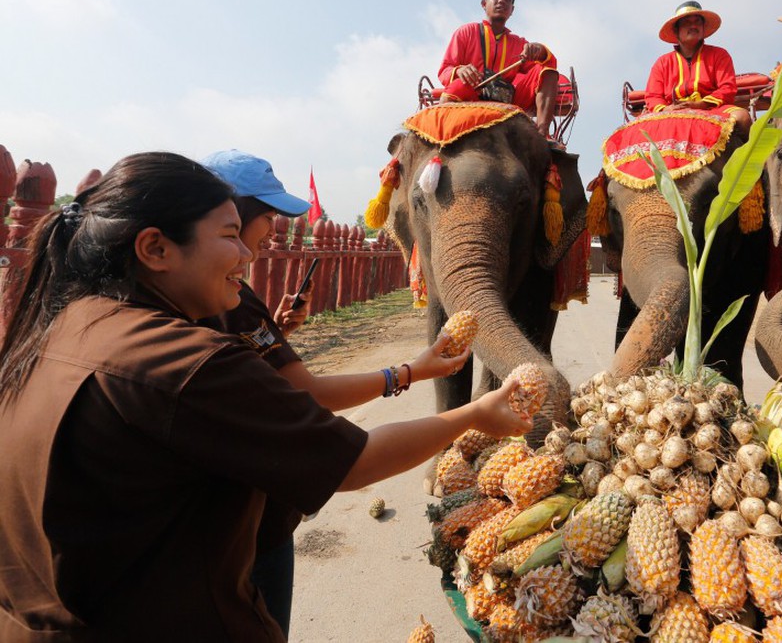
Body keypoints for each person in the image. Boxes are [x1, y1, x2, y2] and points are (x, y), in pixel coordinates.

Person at [0, 152, 531, 641]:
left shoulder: (54, 327)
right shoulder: (187, 358)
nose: (248, 253)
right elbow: (352, 458)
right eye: (231, 233)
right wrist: (475, 413)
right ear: (155, 248)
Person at [200, 149, 472, 638]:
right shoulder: (228, 300)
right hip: (251, 527)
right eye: (265, 219)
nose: (269, 236)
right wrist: (413, 375)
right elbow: (314, 404)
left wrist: (276, 332)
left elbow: (253, 365)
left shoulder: (223, 296)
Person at [438, 0, 560, 140]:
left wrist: (540, 51)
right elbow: (444, 71)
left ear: (512, 9)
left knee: (546, 71)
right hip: (473, 93)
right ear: (484, 4)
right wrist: (460, 71)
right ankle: (441, 136)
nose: (501, 1)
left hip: (508, 100)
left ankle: (542, 135)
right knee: (458, 86)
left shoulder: (519, 43)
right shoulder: (466, 32)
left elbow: (549, 66)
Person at [644, 0, 752, 136]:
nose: (693, 25)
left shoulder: (719, 54)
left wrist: (702, 104)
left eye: (697, 22)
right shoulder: (662, 62)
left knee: (743, 117)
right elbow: (653, 96)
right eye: (687, 22)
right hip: (672, 112)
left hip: (712, 108)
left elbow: (727, 88)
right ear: (676, 31)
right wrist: (666, 109)